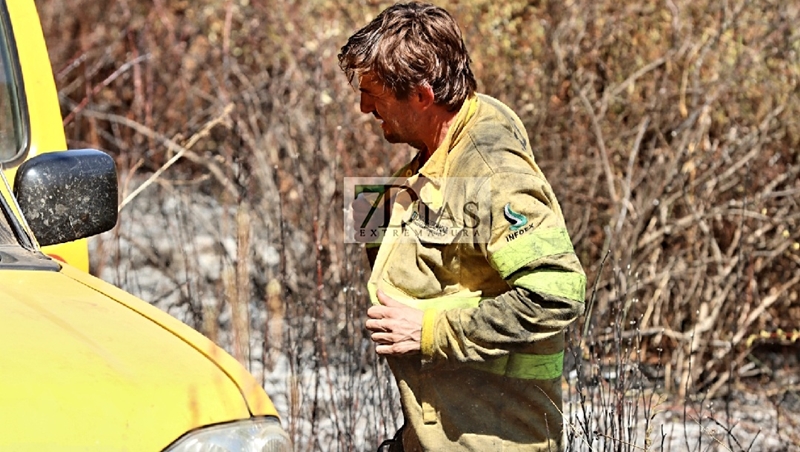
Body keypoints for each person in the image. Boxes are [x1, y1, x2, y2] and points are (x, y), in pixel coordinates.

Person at [339, 3, 586, 451]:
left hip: (496, 438)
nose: (362, 107)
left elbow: (559, 292)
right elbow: (416, 237)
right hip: (438, 430)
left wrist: (430, 331)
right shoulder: (442, 143)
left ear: (422, 96)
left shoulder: (493, 171)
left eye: (375, 95)